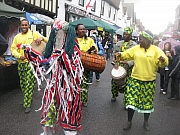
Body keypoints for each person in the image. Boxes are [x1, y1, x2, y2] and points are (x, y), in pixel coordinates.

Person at [25, 20, 84, 135]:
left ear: (68, 34)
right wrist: (31, 55)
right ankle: (47, 132)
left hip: (69, 89)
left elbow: (74, 69)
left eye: (62, 33)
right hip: (53, 85)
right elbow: (44, 63)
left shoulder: (74, 47)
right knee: (49, 111)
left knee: (69, 114)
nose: (59, 36)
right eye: (56, 33)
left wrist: (62, 56)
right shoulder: (51, 48)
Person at [115, 30, 168, 131]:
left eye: (141, 39)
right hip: (135, 79)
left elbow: (164, 64)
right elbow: (127, 54)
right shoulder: (136, 48)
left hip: (149, 81)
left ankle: (146, 122)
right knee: (131, 101)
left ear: (147, 40)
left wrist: (163, 60)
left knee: (147, 103)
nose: (139, 41)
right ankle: (129, 121)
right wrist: (120, 54)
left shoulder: (156, 50)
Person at [11, 19, 48, 113]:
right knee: (23, 84)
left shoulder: (34, 34)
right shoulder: (17, 37)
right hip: (21, 63)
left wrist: (41, 38)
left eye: (26, 25)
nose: (24, 27)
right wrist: (19, 56)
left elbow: (46, 40)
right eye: (22, 25)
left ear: (28, 25)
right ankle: (27, 99)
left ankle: (27, 104)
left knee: (29, 84)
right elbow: (13, 49)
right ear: (20, 26)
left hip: (31, 64)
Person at [111, 27, 137, 102]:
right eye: (124, 34)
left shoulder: (134, 45)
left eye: (127, 34)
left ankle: (126, 101)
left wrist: (128, 63)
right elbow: (114, 54)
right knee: (114, 82)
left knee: (128, 85)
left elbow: (135, 58)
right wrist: (115, 63)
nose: (124, 36)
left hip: (128, 68)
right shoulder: (119, 43)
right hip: (118, 66)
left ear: (130, 35)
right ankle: (114, 95)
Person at [75, 24, 98, 107]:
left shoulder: (89, 40)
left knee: (85, 83)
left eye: (84, 29)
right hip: (75, 66)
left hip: (86, 65)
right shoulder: (74, 40)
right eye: (80, 29)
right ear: (76, 31)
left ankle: (84, 100)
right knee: (75, 83)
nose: (83, 30)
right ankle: (76, 99)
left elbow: (95, 49)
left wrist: (93, 51)